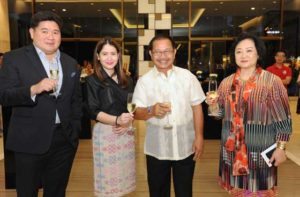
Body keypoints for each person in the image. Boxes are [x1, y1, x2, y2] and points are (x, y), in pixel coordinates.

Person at [0, 11, 82, 197]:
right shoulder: (15, 58)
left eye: (56, 32)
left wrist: (74, 131)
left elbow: (76, 101)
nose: (51, 37)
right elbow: (3, 95)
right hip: (29, 139)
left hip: (64, 140)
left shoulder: (70, 64)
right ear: (31, 33)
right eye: (44, 31)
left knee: (57, 192)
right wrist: (33, 89)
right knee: (27, 192)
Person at [206, 33, 292, 196]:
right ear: (234, 56)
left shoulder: (271, 82)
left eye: (249, 50)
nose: (243, 55)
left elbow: (283, 119)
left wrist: (281, 148)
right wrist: (213, 105)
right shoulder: (226, 83)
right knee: (237, 191)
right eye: (239, 51)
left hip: (259, 152)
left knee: (259, 191)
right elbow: (219, 115)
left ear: (258, 54)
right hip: (231, 153)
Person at [133, 34, 205, 197]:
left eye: (167, 51)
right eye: (157, 52)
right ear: (151, 54)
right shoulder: (144, 81)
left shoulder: (188, 77)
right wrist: (151, 110)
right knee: (158, 192)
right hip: (157, 148)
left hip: (185, 145)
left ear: (174, 52)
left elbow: (197, 108)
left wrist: (199, 136)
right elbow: (136, 112)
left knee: (184, 191)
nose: (163, 56)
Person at [85, 37, 135, 197]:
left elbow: (132, 106)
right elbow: (93, 111)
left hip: (126, 132)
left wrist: (127, 122)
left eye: (113, 53)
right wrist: (117, 120)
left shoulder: (127, 80)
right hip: (106, 134)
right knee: (108, 182)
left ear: (119, 55)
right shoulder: (92, 80)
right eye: (104, 53)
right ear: (98, 56)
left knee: (123, 180)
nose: (109, 58)